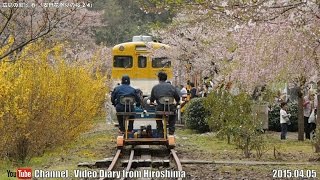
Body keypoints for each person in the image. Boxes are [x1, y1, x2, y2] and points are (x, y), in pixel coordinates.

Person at [150, 72, 180, 136]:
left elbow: (151, 100)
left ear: (158, 78)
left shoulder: (155, 87)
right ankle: (171, 132)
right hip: (170, 108)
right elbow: (178, 98)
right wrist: (176, 104)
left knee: (157, 116)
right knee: (173, 116)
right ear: (166, 78)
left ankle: (160, 130)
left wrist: (152, 102)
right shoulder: (172, 87)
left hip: (160, 108)